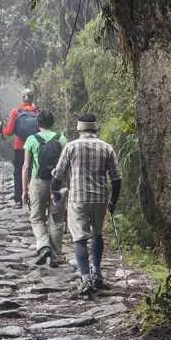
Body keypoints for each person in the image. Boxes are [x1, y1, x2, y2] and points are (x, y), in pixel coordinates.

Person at [50, 114, 121, 294]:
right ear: (95, 129)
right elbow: (116, 178)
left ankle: (85, 279)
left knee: (79, 238)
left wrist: (55, 192)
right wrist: (113, 201)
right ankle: (97, 273)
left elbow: (58, 175)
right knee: (97, 235)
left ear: (79, 129)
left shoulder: (71, 147)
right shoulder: (106, 148)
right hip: (100, 198)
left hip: (78, 199)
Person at [21, 110, 68, 267]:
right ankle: (55, 255)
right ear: (52, 122)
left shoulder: (31, 140)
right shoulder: (61, 139)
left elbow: (26, 166)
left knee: (36, 217)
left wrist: (24, 190)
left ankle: (44, 245)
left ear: (38, 123)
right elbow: (67, 165)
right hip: (58, 183)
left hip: (38, 182)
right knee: (56, 219)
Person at [0, 89, 40, 206]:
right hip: (34, 147)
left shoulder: (16, 112)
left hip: (19, 147)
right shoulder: (38, 112)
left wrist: (1, 129)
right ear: (33, 98)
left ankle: (18, 199)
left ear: (22, 98)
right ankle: (33, 198)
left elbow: (8, 132)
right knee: (33, 172)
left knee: (18, 172)